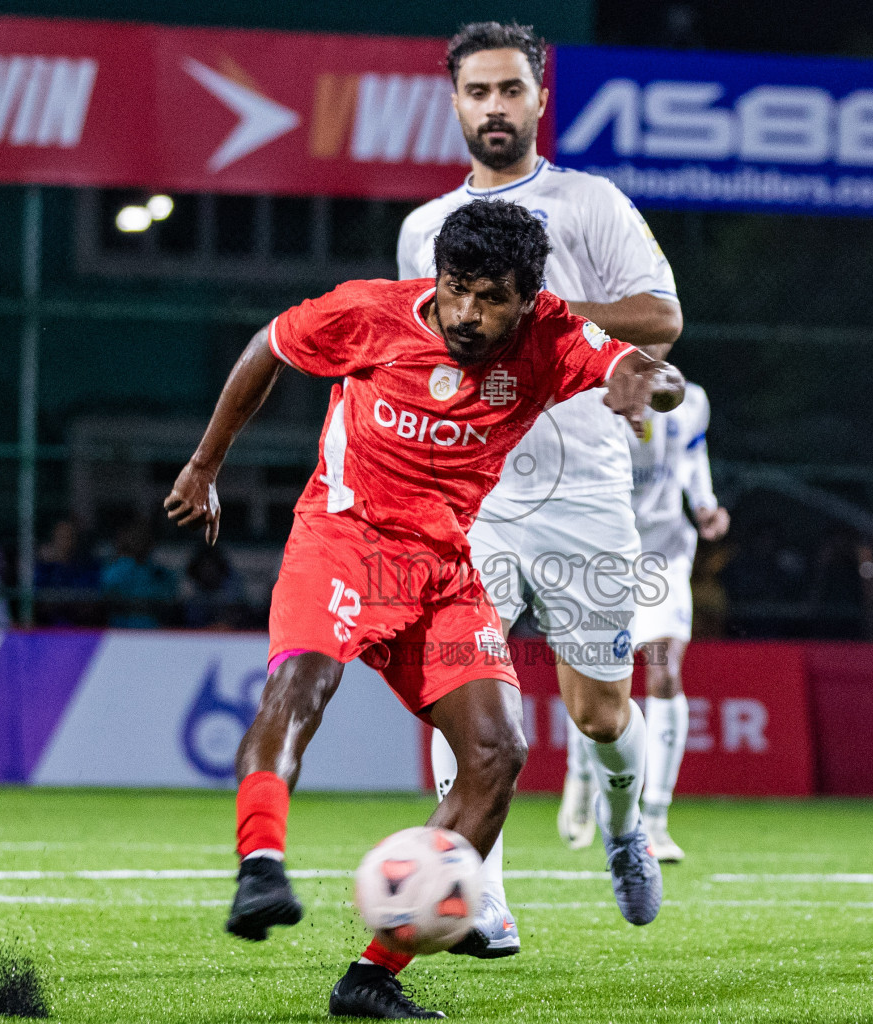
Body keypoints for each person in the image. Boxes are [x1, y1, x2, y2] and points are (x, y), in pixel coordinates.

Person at [164, 198, 682, 1019]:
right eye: (455, 289)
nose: (467, 314)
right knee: (301, 688)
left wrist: (654, 385)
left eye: (491, 298)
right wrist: (204, 466)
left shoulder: (550, 335)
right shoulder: (369, 312)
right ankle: (259, 867)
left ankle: (373, 976)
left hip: (443, 569)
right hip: (344, 538)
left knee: (498, 752)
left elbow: (631, 362)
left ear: (529, 299)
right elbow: (268, 344)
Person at [397, 22, 684, 954]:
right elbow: (419, 353)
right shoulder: (421, 231)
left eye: (509, 91)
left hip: (588, 493)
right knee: (463, 697)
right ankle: (478, 893)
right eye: (476, 92)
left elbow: (660, 316)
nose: (493, 107)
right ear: (454, 102)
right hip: (472, 497)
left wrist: (540, 315)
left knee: (600, 714)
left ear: (538, 99)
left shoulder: (590, 204)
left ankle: (624, 823)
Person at [593, 381, 727, 864]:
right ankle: (586, 776)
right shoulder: (594, 396)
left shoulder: (691, 397)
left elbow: (693, 452)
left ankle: (656, 818)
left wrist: (705, 502)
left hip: (664, 551)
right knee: (601, 684)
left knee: (665, 669)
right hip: (604, 551)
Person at [100, 520, 177, 628]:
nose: (139, 542)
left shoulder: (161, 573)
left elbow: (170, 596)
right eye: (134, 538)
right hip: (120, 630)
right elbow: (108, 588)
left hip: (154, 631)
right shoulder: (115, 568)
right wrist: (127, 559)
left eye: (143, 538)